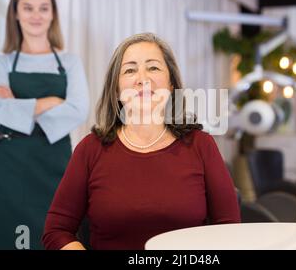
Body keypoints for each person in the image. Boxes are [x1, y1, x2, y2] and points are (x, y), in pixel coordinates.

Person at [42, 33, 241, 250]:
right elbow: (57, 231)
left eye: (153, 67)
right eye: (130, 70)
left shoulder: (201, 145)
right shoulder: (90, 149)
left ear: (171, 84)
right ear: (116, 89)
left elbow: (229, 232)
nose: (142, 78)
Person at [0, 0, 90, 250]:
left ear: (53, 14)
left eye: (43, 8)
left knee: (55, 233)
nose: (36, 15)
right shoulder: (1, 62)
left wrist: (20, 105)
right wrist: (51, 101)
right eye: (28, 8)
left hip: (55, 162)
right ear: (15, 13)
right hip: (7, 167)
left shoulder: (70, 62)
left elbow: (79, 109)